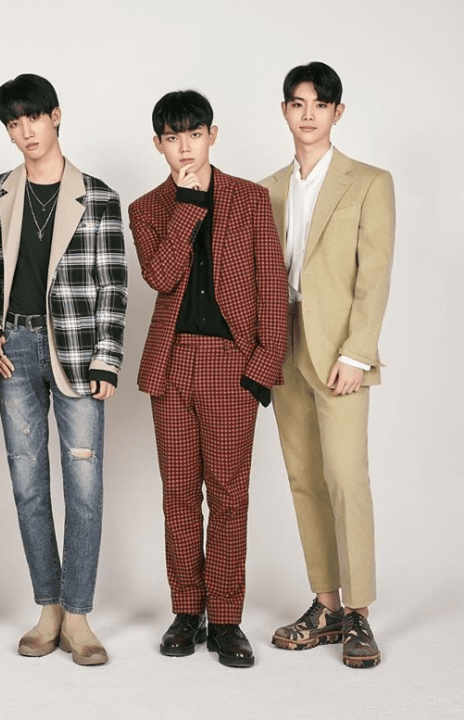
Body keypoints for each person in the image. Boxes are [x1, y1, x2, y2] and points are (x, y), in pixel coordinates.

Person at [128, 89, 288, 668]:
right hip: (171, 364)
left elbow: (272, 285)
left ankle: (225, 618)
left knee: (228, 496)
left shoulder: (250, 198)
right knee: (178, 496)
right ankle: (185, 611)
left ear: (212, 135)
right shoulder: (147, 208)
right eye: (173, 138)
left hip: (231, 364)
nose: (185, 147)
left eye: (194, 134)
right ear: (158, 145)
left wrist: (262, 368)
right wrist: (190, 204)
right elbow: (161, 276)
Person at [0, 73, 127, 666]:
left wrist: (107, 357)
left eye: (33, 118)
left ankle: (79, 614)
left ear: (55, 115)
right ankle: (49, 608)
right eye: (13, 123)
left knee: (84, 486)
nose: (25, 132)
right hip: (13, 349)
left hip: (79, 353)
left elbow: (113, 285)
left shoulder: (100, 197)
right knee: (28, 485)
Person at [261, 61, 395, 669]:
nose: (308, 113)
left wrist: (356, 352)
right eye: (298, 103)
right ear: (285, 111)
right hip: (283, 345)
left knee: (346, 477)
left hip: (340, 350)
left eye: (320, 104)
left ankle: (360, 613)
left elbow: (375, 274)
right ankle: (326, 606)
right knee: (303, 477)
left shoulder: (369, 182)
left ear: (338, 112)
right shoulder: (266, 189)